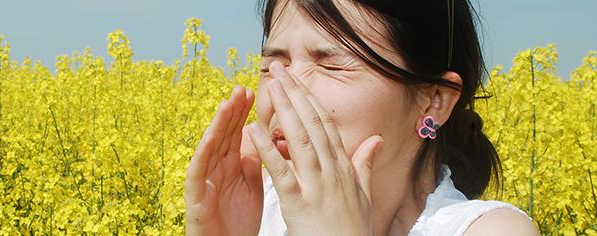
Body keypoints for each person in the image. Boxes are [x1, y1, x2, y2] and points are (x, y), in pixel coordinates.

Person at [184, 0, 540, 235]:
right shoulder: (255, 211)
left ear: (434, 102)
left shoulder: (492, 230)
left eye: (332, 64)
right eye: (271, 65)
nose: (282, 92)